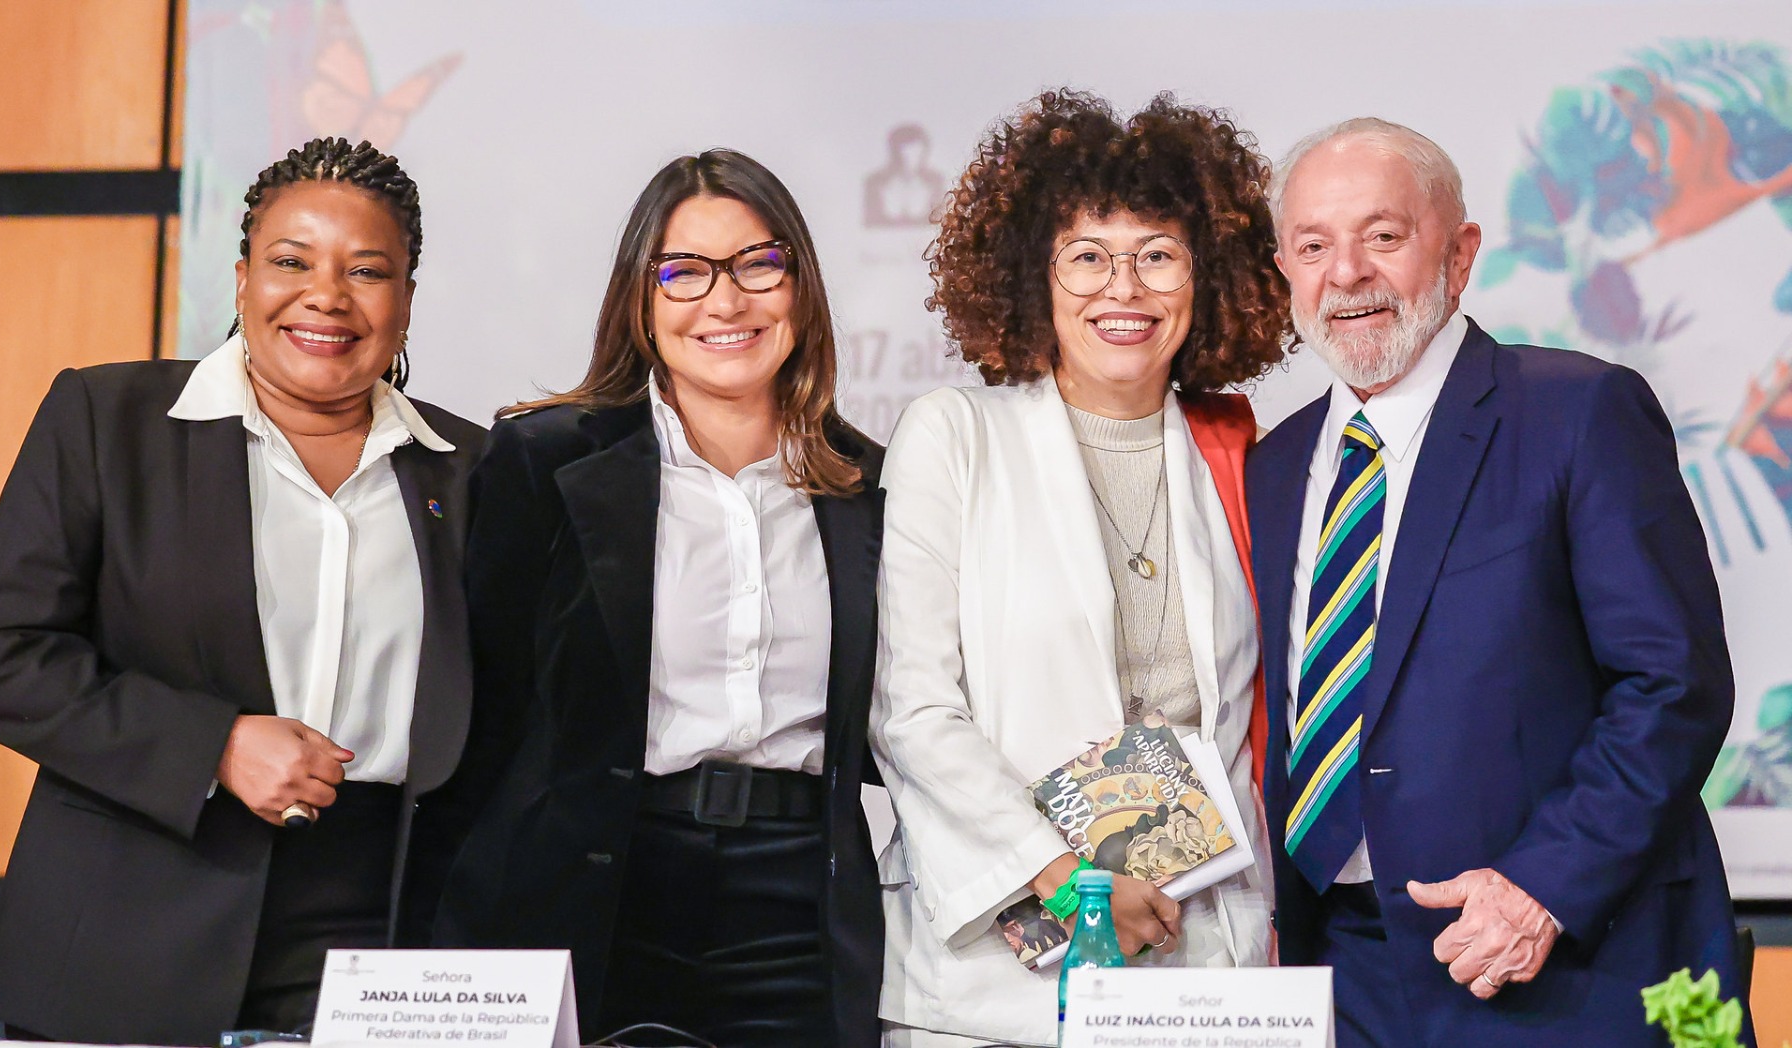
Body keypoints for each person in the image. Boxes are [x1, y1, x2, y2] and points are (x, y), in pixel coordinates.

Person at [0, 137, 485, 1045]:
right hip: (129, 922)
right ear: (241, 281)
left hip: (381, 939)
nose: (327, 295)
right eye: (290, 261)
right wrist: (214, 746)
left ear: (406, 301)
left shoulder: (475, 471)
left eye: (368, 271)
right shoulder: (107, 421)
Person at [1248, 117, 1749, 1046]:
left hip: (1558, 961)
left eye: (1384, 236)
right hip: (1339, 974)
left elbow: (1673, 685)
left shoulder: (1577, 410)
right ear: (1285, 269)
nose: (1346, 272)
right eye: (1313, 246)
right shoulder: (1274, 467)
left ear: (1461, 250)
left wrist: (1542, 889)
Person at [416, 149, 885, 1048]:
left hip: (797, 903)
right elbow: (481, 721)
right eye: (685, 273)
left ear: (801, 287)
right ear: (641, 297)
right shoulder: (546, 461)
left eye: (758, 264)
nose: (726, 301)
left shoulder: (867, 486)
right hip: (598, 889)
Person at [872, 91, 1291, 1047]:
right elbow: (914, 708)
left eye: (1158, 255)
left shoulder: (1233, 450)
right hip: (1001, 970)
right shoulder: (957, 436)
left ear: (1207, 277)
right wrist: (1070, 878)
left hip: (1205, 960)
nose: (1124, 289)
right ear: (1033, 275)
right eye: (1087, 257)